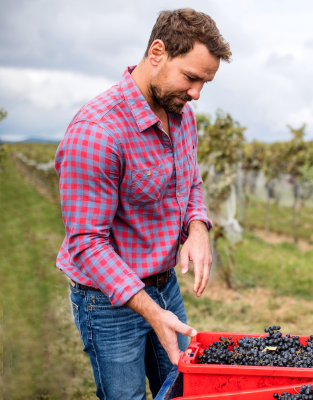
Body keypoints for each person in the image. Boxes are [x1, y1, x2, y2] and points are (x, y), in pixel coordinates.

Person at [54, 9, 231, 399]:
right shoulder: (97, 133)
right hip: (107, 302)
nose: (197, 93)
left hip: (166, 288)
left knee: (185, 391)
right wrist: (151, 312)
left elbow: (190, 184)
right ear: (157, 53)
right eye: (191, 77)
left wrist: (198, 228)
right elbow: (86, 243)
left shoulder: (181, 114)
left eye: (205, 82)